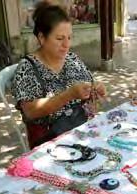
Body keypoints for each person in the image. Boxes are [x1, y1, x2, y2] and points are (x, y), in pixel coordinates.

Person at [11, 2, 106, 148]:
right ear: (42, 38)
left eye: (69, 37)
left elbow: (89, 86)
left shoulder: (72, 60)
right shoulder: (28, 68)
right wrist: (69, 95)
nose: (66, 44)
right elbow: (31, 111)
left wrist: (95, 89)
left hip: (82, 132)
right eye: (60, 39)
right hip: (50, 142)